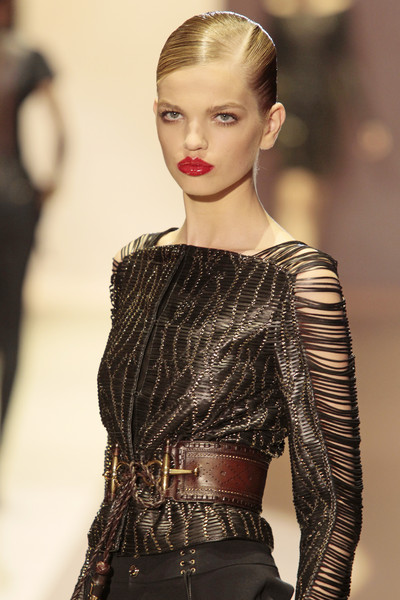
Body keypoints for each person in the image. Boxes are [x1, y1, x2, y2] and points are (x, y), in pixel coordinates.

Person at [71, 11, 362, 600]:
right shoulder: (134, 264)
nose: (193, 141)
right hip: (116, 574)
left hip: (221, 578)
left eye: (223, 116)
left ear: (270, 125)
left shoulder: (296, 280)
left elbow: (331, 501)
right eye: (173, 115)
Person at [0, 0, 65, 436]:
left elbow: (61, 131)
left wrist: (48, 183)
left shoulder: (25, 58)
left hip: (16, 199)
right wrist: (47, 184)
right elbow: (62, 130)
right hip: (16, 196)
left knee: (11, 324)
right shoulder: (25, 58)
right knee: (11, 323)